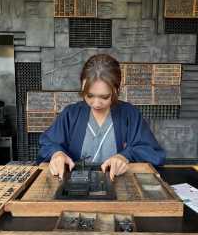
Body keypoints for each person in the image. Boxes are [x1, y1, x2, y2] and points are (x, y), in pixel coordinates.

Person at [37, 54, 165, 181]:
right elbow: (48, 143)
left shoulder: (129, 114)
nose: (96, 103)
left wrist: (125, 156)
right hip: (76, 188)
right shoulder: (70, 114)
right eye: (89, 95)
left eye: (104, 97)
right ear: (82, 86)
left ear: (116, 89)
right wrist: (57, 153)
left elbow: (152, 152)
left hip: (119, 188)